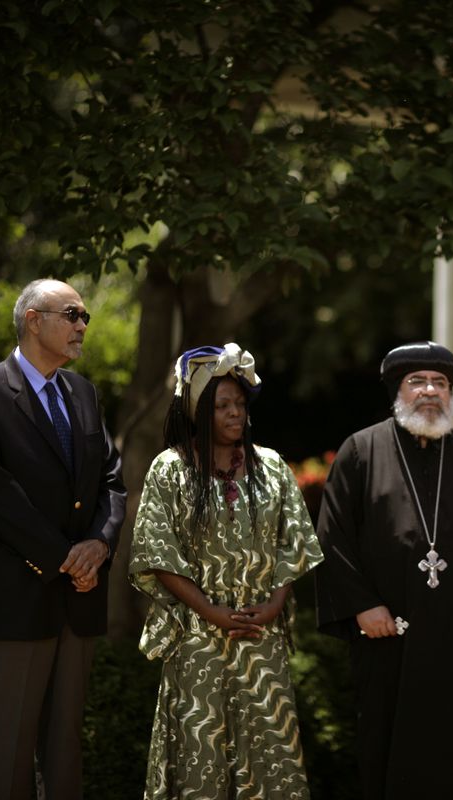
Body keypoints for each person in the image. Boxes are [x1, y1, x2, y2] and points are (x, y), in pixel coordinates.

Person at [314, 341, 453, 800]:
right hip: (389, 634)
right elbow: (332, 537)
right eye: (418, 382)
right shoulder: (361, 451)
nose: (430, 391)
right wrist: (362, 606)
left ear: (450, 394)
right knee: (392, 747)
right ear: (398, 391)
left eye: (440, 382)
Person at [0, 278, 126, 800]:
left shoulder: (84, 393)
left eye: (84, 317)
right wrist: (64, 560)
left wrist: (99, 544)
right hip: (17, 599)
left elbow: (113, 482)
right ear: (33, 320)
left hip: (79, 601)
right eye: (72, 315)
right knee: (5, 753)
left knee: (65, 749)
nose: (82, 326)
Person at [128, 343, 324, 800]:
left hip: (262, 637)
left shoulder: (272, 466)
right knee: (202, 750)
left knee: (269, 752)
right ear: (198, 411)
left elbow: (292, 543)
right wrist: (211, 610)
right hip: (198, 637)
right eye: (222, 405)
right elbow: (157, 553)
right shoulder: (170, 469)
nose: (236, 413)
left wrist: (275, 603)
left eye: (240, 403)